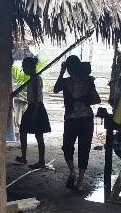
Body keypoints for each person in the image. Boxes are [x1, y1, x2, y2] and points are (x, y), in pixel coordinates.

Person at [53, 54, 101, 191]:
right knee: (84, 148)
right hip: (86, 119)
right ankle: (80, 182)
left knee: (67, 146)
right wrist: (84, 101)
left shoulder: (65, 81)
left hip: (71, 119)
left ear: (68, 68)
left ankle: (72, 172)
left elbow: (55, 89)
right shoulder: (88, 81)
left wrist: (61, 72)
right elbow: (97, 100)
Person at [15, 56, 51, 169]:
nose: (23, 69)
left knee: (37, 134)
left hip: (36, 107)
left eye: (25, 67)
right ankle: (25, 157)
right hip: (35, 107)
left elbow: (35, 97)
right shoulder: (33, 78)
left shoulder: (35, 79)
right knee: (26, 132)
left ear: (31, 67)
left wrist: (34, 111)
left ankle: (40, 160)